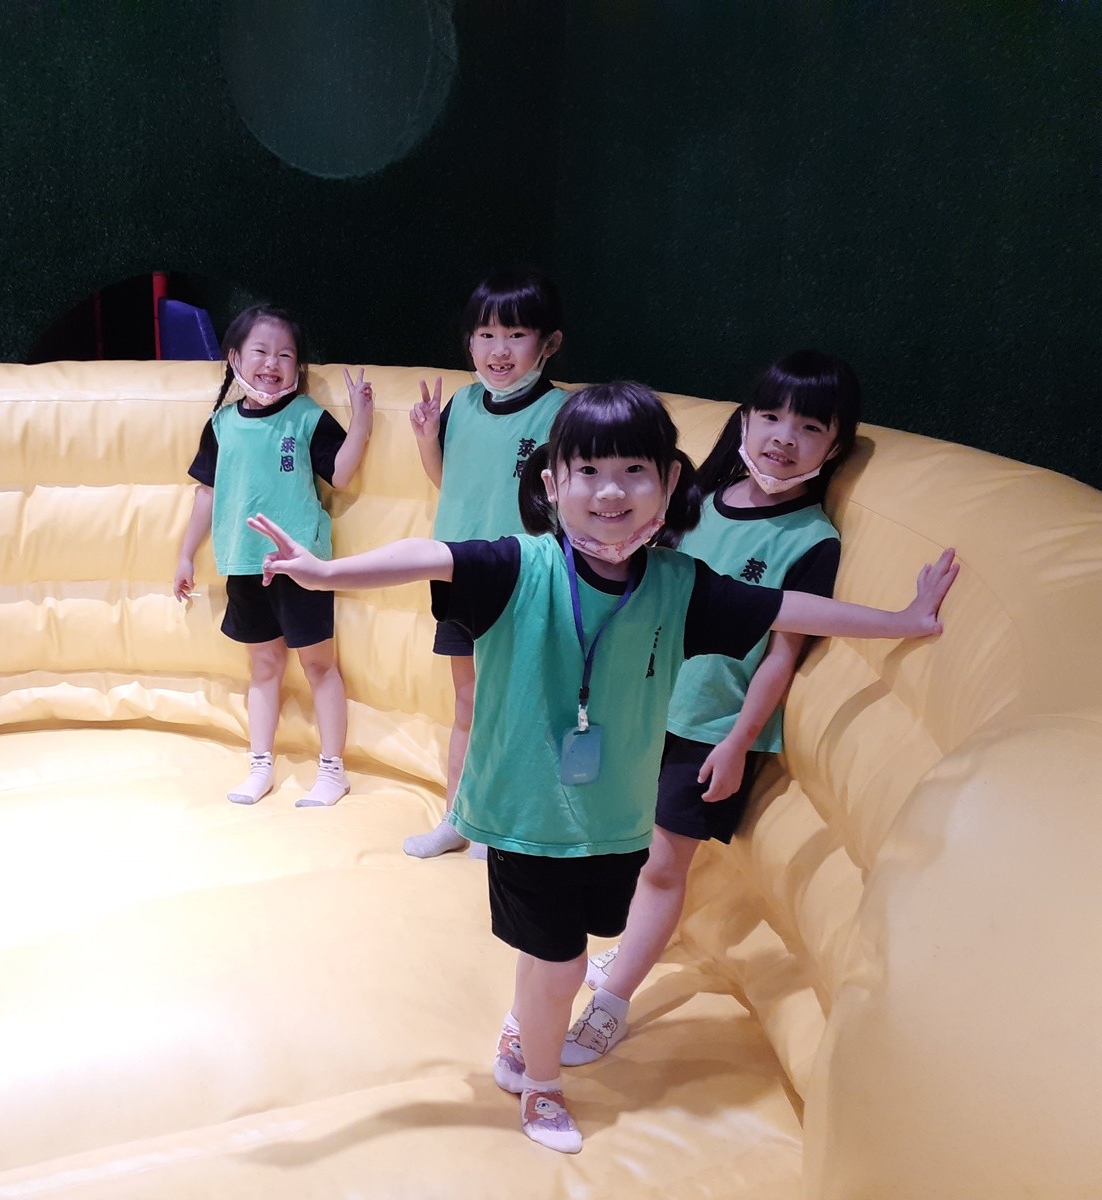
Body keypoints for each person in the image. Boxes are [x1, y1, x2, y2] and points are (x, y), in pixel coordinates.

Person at [246, 380, 956, 1153]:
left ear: (670, 482)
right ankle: (542, 1083)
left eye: (632, 471)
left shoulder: (679, 586)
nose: (610, 491)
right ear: (553, 485)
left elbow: (788, 610)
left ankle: (525, 1025)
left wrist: (902, 621)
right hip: (525, 813)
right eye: (587, 471)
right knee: (563, 960)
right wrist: (325, 572)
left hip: (615, 819)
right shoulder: (520, 565)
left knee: (560, 947)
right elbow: (431, 556)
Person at [563, 351, 861, 1066]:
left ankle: (612, 1004)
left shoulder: (813, 541)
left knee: (665, 868)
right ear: (745, 420)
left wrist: (737, 743)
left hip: (708, 731)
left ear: (835, 446)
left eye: (809, 427)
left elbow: (783, 655)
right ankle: (627, 951)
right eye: (771, 416)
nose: (784, 437)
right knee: (628, 848)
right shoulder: (697, 499)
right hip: (642, 705)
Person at [174, 304, 373, 806]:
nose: (272, 363)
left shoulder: (306, 417)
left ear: (298, 366)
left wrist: (362, 420)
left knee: (319, 666)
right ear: (234, 358)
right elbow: (206, 494)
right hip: (242, 563)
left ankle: (333, 770)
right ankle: (260, 765)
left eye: (285, 354)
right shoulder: (221, 424)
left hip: (301, 563)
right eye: (261, 351)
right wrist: (185, 555)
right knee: (263, 667)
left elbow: (341, 473)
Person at [405, 269, 569, 858]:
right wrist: (427, 438)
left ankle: (504, 825)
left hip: (523, 580)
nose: (500, 350)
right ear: (469, 342)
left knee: (519, 708)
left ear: (548, 344)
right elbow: (451, 484)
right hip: (458, 572)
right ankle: (459, 818)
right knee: (469, 702)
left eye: (516, 335)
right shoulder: (463, 403)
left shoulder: (562, 414)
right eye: (486, 335)